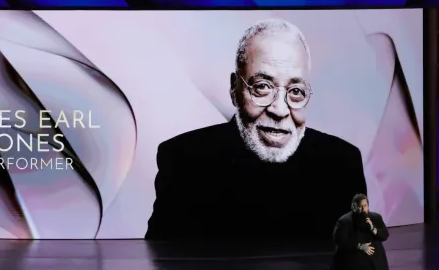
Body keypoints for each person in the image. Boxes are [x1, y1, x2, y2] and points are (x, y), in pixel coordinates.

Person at [145, 18, 366, 241]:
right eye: (262, 87)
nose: (279, 110)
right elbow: (161, 264)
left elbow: (360, 259)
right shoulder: (185, 160)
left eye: (296, 91)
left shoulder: (342, 163)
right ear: (234, 89)